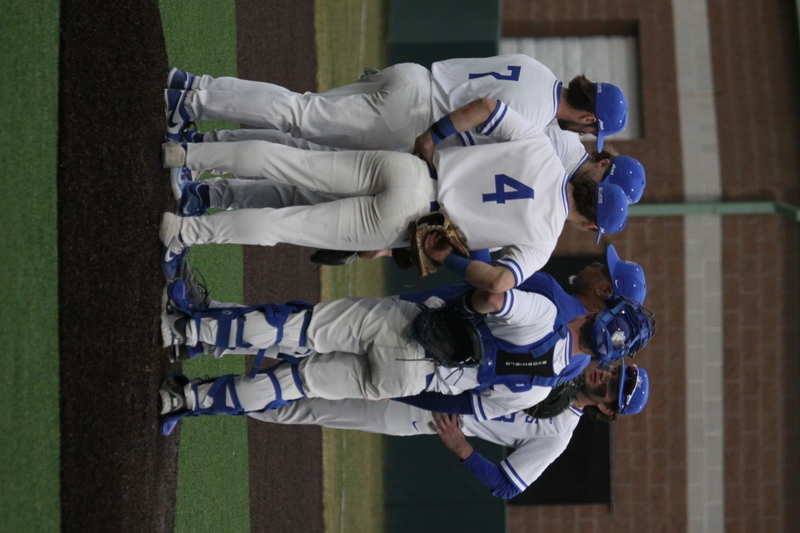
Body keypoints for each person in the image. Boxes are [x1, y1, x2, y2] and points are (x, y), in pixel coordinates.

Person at [159, 98, 630, 292]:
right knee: (288, 226)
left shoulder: (546, 150)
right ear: (590, 224)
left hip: (409, 167)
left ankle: (185, 156)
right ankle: (183, 232)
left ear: (590, 180)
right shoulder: (545, 242)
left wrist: (432, 136)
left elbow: (486, 107)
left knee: (295, 162)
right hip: (408, 224)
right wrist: (445, 257)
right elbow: (499, 283)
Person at [156, 272, 655, 437]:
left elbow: (491, 297)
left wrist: (459, 266)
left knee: (299, 327)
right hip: (416, 381)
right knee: (296, 384)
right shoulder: (545, 387)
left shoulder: (545, 314)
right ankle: (187, 402)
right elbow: (460, 408)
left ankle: (185, 327)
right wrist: (410, 391)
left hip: (410, 326)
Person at [247, 359, 649, 499]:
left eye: (613, 387)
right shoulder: (566, 361)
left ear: (608, 409)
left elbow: (507, 485)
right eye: (616, 373)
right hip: (424, 371)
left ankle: (223, 402)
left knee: (308, 407)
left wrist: (461, 448)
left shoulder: (558, 433)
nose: (606, 378)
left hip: (416, 415)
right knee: (315, 351)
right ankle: (207, 325)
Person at [164, 55, 627, 152]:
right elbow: (476, 113)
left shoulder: (538, 67)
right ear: (588, 117)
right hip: (410, 117)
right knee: (299, 116)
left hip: (415, 76)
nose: (586, 133)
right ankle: (192, 101)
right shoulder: (538, 117)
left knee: (300, 110)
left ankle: (195, 87)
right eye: (591, 129)